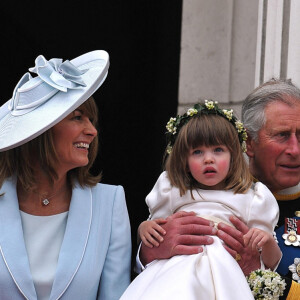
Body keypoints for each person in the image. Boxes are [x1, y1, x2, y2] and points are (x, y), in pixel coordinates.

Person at [138, 78, 300, 299]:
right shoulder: (183, 190)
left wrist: (257, 275)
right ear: (249, 143)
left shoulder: (258, 201)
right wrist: (149, 251)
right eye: (282, 135)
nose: (295, 149)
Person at [0, 50, 131, 300]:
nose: (92, 131)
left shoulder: (109, 203)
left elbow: (115, 295)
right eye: (78, 117)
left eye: (92, 120)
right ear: (42, 129)